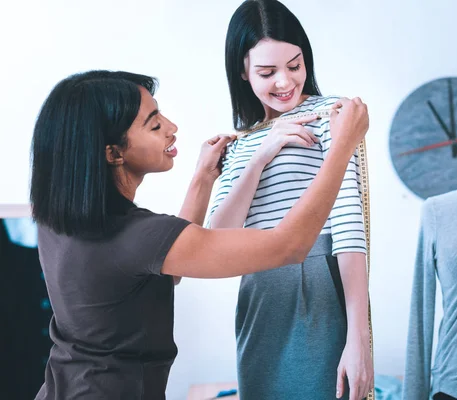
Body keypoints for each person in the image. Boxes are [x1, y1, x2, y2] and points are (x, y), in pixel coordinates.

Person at [30, 70, 368, 399]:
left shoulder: (59, 220)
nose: (172, 128)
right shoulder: (136, 236)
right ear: (113, 153)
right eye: (154, 123)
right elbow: (290, 246)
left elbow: (166, 262)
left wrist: (204, 178)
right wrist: (341, 148)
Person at [208, 1, 374, 399]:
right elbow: (217, 239)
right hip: (259, 294)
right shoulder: (241, 142)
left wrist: (359, 337)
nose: (285, 82)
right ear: (242, 71)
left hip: (316, 283)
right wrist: (263, 153)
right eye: (267, 72)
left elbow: (348, 223)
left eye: (295, 66)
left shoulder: (331, 113)